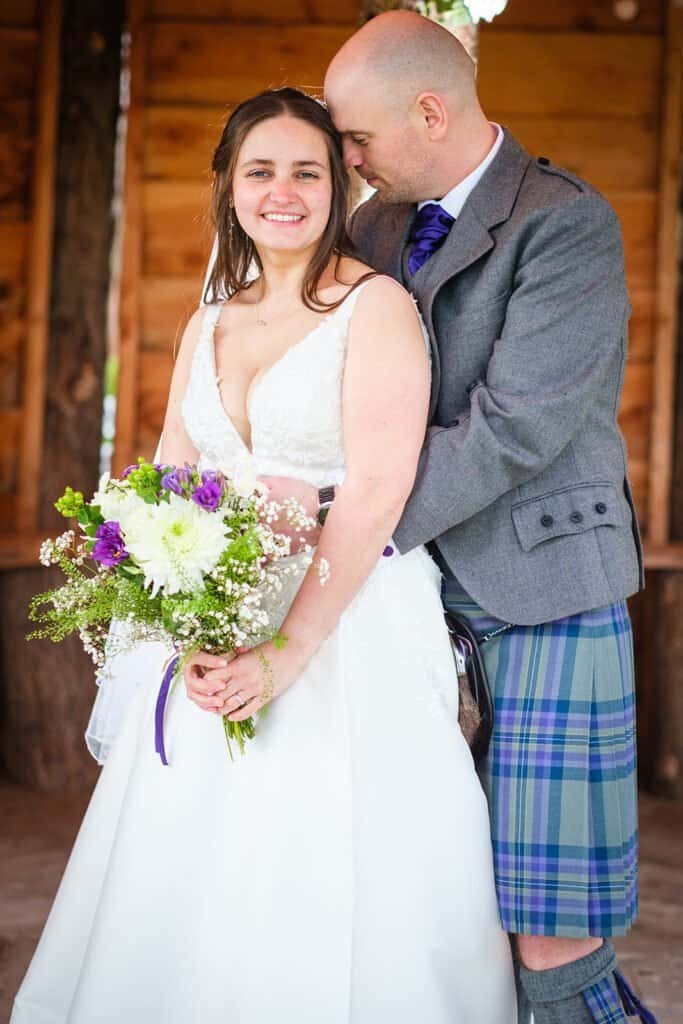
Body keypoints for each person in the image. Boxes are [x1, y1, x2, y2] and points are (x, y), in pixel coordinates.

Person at [11, 88, 516, 1023]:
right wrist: (175, 606)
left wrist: (289, 650)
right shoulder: (211, 320)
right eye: (260, 170)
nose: (282, 192)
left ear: (337, 187)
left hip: (347, 619)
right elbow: (174, 471)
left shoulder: (378, 310)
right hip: (216, 615)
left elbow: (375, 490)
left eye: (307, 171)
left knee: (322, 846)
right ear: (229, 189)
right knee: (198, 849)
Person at [319, 11, 650, 1024]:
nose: (346, 161)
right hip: (402, 598)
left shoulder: (565, 221)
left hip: (543, 586)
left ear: (429, 110)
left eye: (357, 138)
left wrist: (355, 523)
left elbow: (517, 425)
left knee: (547, 903)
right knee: (436, 880)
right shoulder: (369, 230)